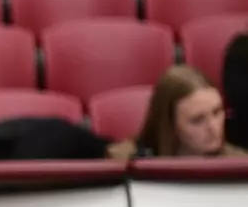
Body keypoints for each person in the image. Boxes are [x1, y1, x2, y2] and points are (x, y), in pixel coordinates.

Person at [106, 66, 248, 161]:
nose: (214, 128)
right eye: (197, 120)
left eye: (217, 112)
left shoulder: (240, 162)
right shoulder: (123, 161)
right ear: (170, 125)